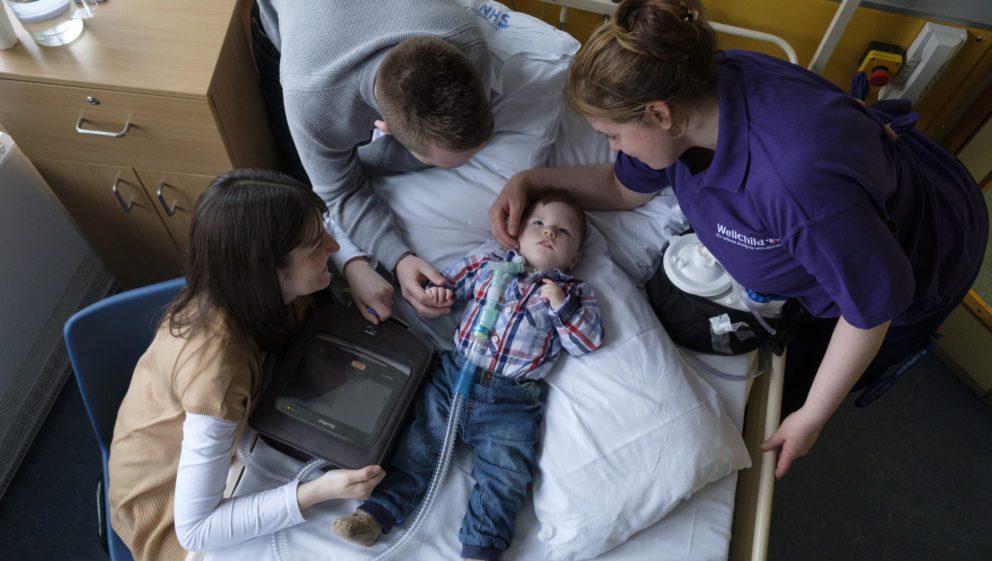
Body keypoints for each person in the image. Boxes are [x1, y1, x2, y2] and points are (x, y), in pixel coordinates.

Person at [488, 0, 988, 479]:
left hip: (926, 252)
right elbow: (623, 188)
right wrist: (534, 182)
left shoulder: (796, 182)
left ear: (660, 114)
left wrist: (810, 416)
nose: (614, 147)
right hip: (851, 206)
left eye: (614, 135)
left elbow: (871, 310)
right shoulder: (693, 98)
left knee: (806, 379)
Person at [107, 170, 390, 561]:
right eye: (315, 246)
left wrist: (355, 267)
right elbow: (196, 528)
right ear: (268, 269)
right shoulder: (218, 369)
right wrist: (320, 491)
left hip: (226, 445)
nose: (331, 245)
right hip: (172, 515)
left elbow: (323, 228)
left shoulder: (248, 289)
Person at [332, 190, 604, 561]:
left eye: (563, 231)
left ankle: (481, 547)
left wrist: (560, 305)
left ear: (576, 257)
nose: (549, 233)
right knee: (418, 443)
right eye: (538, 223)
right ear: (518, 234)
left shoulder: (574, 293)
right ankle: (374, 516)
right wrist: (439, 296)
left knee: (505, 475)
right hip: (454, 375)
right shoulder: (488, 263)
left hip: (512, 402)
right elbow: (446, 289)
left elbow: (587, 342)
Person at [251, 0, 494, 322]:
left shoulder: (467, 40)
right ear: (384, 128)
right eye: (441, 162)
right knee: (303, 178)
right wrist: (399, 257)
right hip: (297, 28)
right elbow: (339, 191)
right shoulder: (310, 99)